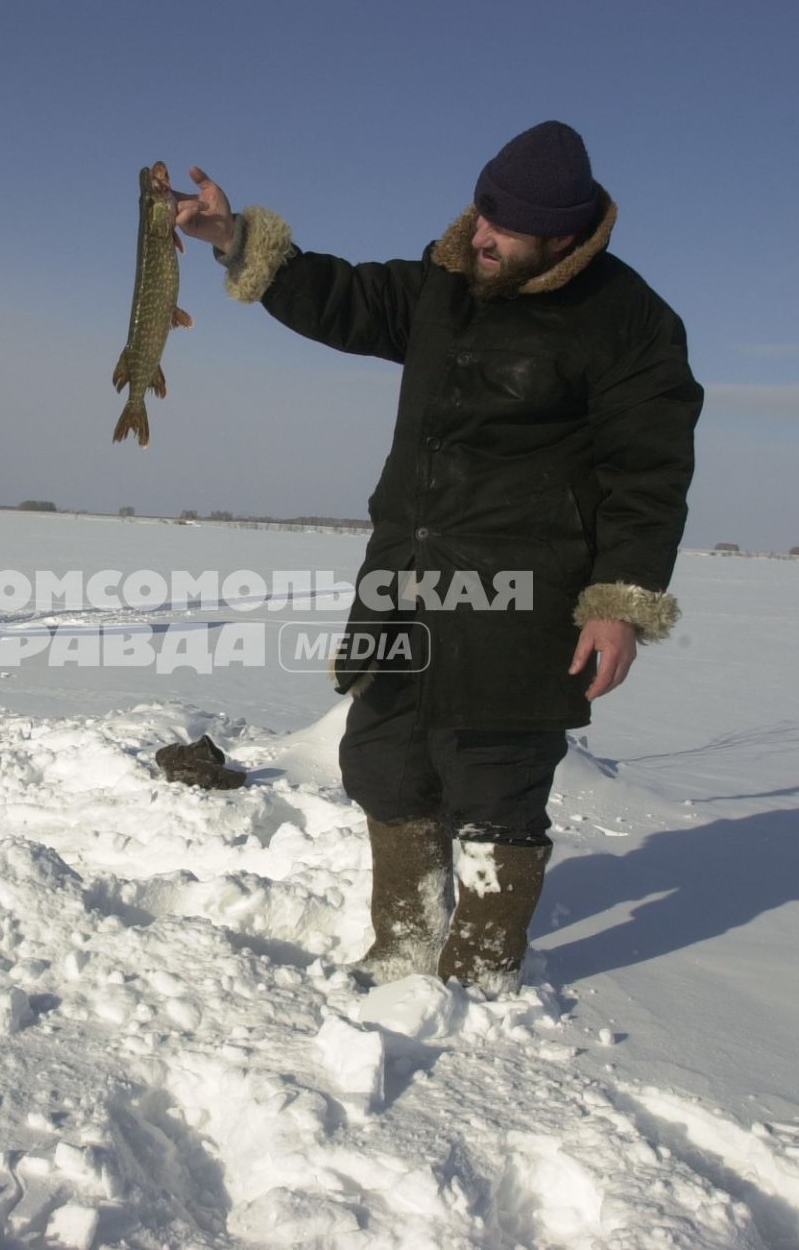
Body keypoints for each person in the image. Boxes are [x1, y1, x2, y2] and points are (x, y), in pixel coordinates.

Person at [173, 122, 702, 992]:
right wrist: (234, 239)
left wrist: (622, 600)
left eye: (506, 226)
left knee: (496, 772)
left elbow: (650, 472)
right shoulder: (443, 286)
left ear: (564, 238)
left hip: (522, 592)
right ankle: (407, 943)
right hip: (402, 579)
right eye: (481, 210)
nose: (483, 234)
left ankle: (483, 969)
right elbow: (339, 297)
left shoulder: (628, 322)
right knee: (382, 755)